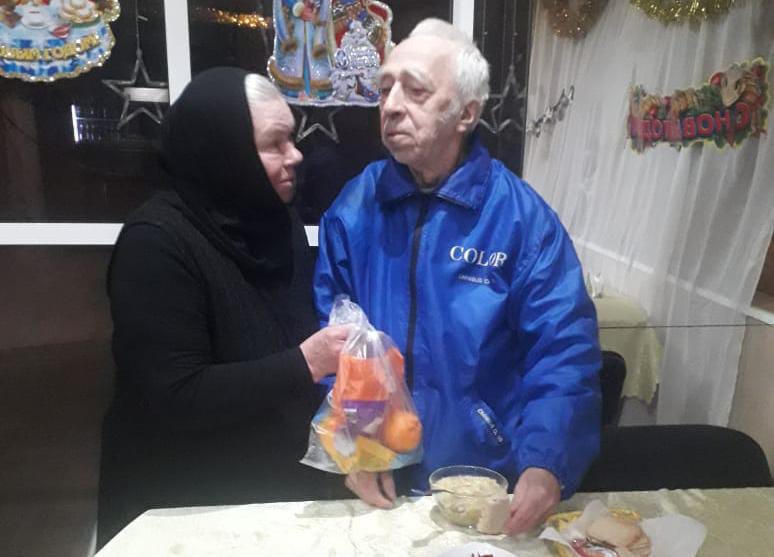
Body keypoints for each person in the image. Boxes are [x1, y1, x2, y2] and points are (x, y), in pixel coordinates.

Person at [314, 19, 602, 535]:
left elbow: (562, 352)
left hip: (486, 487)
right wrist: (354, 445)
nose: (391, 105)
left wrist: (547, 462)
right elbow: (338, 341)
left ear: (466, 113)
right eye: (385, 88)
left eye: (415, 90)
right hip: (380, 478)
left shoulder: (520, 220)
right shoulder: (355, 208)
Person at [97, 67, 349, 548]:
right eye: (274, 143)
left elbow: (281, 336)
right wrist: (305, 363)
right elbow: (173, 396)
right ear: (223, 150)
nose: (296, 155)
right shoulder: (157, 243)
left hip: (270, 493)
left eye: (292, 138)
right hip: (183, 505)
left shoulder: (277, 224)